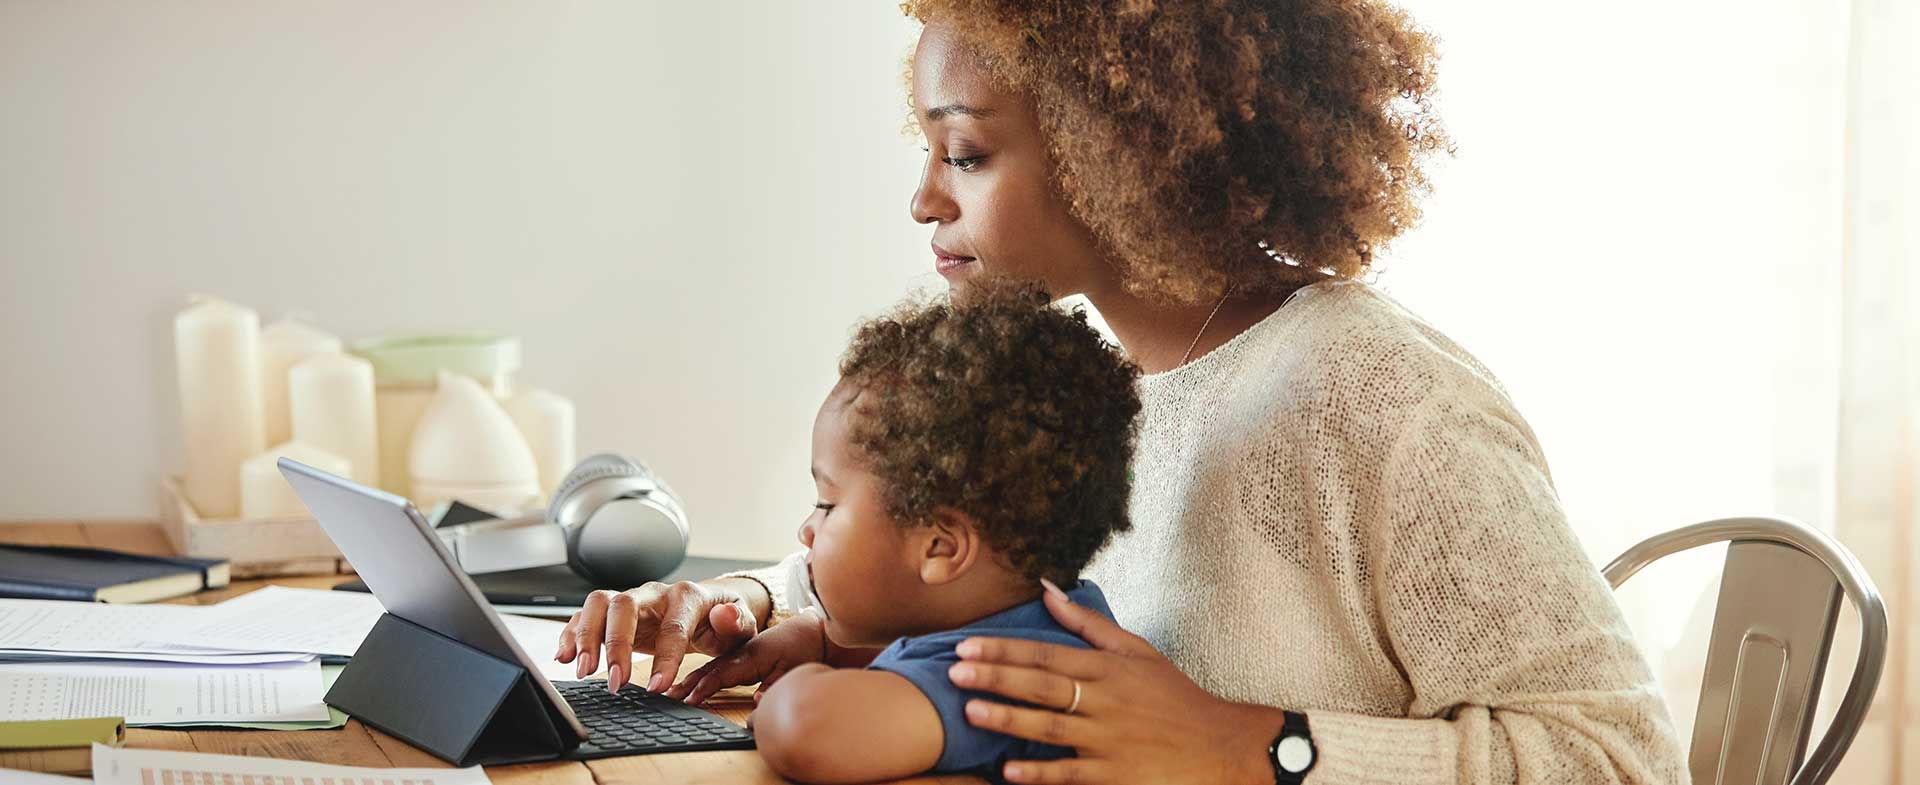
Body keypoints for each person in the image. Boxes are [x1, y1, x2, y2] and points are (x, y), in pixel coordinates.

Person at [557, 2, 1687, 783]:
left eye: (966, 154)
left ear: (1119, 146)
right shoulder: (1094, 383)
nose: (923, 201)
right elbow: (950, 556)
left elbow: (1624, 758)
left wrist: (1257, 747)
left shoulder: (1378, 396)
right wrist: (751, 605)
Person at [723, 281, 1141, 783]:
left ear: (941, 548)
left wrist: (791, 694)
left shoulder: (1007, 674)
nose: (807, 531)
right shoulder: (1060, 619)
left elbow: (808, 727)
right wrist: (822, 641)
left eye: (827, 504)